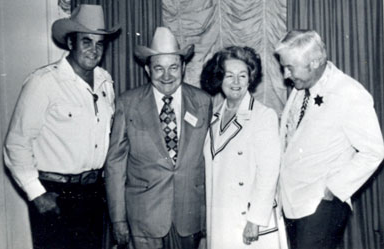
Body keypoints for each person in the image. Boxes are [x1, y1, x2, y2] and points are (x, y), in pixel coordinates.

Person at [3, 4, 119, 249]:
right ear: (70, 43)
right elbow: (16, 143)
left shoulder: (105, 82)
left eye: (99, 43)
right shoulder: (44, 82)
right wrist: (36, 193)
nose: (94, 49)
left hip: (93, 194)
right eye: (86, 41)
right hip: (55, 195)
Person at [104, 26, 212, 249]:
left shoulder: (202, 102)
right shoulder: (129, 103)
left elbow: (209, 160)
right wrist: (118, 218)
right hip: (144, 215)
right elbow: (115, 164)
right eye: (158, 69)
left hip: (188, 214)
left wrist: (206, 214)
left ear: (183, 67)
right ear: (147, 69)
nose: (166, 76)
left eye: (173, 67)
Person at [275, 29, 384, 249]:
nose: (286, 75)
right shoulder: (302, 87)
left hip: (320, 206)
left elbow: (374, 151)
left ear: (314, 62)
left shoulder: (349, 93)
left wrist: (333, 188)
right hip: (293, 202)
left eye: (290, 67)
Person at [200, 46, 288, 249]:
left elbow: (268, 172)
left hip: (249, 221)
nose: (236, 82)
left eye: (242, 75)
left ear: (251, 78)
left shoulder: (263, 116)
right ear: (219, 78)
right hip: (220, 218)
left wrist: (255, 220)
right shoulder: (213, 117)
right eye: (229, 76)